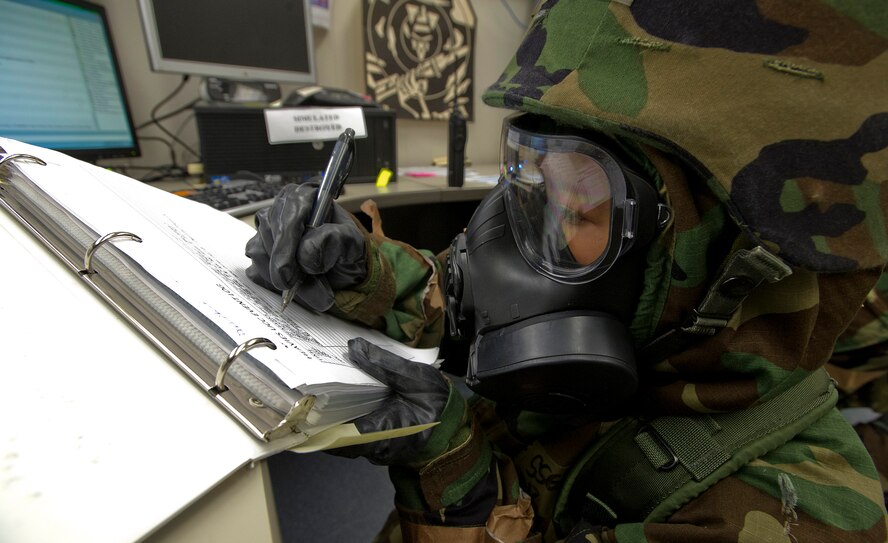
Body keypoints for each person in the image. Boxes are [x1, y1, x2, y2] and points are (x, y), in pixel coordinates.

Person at [245, 2, 888, 541]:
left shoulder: (796, 518)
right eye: (531, 185)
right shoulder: (653, 324)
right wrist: (363, 270)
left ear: (734, 269)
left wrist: (452, 476)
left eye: (576, 205)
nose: (505, 244)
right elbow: (481, 291)